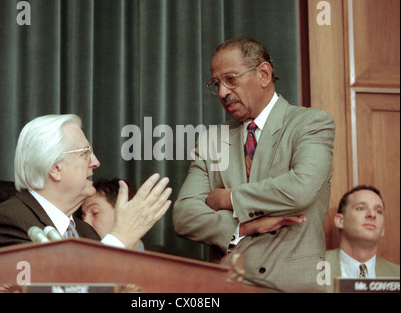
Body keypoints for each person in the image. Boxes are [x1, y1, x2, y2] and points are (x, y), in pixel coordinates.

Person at [173, 37, 335, 292]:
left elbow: (301, 189)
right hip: (227, 287)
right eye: (216, 84)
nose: (223, 92)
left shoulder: (311, 123)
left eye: (230, 79)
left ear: (263, 73)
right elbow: (183, 215)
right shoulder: (212, 138)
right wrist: (242, 227)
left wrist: (228, 199)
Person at [0, 114, 172, 251]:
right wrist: (119, 239)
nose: (95, 162)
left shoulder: (86, 233)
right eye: (85, 153)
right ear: (55, 168)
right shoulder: (7, 223)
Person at [325, 185, 400, 292]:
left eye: (379, 211)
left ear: (383, 229)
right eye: (361, 208)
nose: (372, 214)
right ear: (340, 221)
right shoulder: (312, 270)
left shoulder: (397, 275)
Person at [81, 178, 145, 250]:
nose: (85, 222)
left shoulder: (159, 257)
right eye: (83, 215)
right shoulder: (79, 257)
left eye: (95, 213)